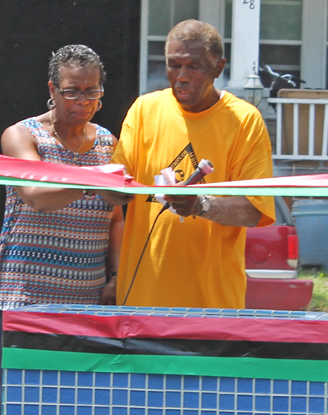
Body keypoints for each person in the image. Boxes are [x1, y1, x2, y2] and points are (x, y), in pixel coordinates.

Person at [0, 44, 123, 415]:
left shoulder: (109, 144)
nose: (83, 101)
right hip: (25, 297)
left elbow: (116, 217)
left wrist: (116, 276)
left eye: (92, 91)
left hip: (85, 300)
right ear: (52, 89)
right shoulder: (22, 135)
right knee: (20, 411)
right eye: (72, 91)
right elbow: (36, 195)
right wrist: (98, 182)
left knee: (76, 412)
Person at [110, 19, 276, 309]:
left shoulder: (244, 121)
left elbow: (255, 209)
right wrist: (96, 185)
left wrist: (201, 204)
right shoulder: (144, 109)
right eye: (174, 65)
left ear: (218, 68)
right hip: (143, 300)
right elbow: (118, 187)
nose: (181, 76)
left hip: (213, 305)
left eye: (194, 66)